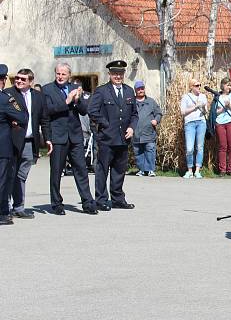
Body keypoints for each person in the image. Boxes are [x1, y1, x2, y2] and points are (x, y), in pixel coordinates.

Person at [42, 63, 97, 215]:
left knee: (81, 170)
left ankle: (87, 202)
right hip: (58, 136)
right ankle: (57, 204)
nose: (60, 77)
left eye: (63, 74)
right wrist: (66, 101)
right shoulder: (47, 90)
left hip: (75, 136)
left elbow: (84, 110)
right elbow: (47, 111)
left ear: (69, 76)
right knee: (57, 171)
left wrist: (77, 100)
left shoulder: (75, 88)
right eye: (58, 74)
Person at [88, 60, 138, 210]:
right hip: (107, 138)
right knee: (103, 169)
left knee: (119, 170)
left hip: (123, 138)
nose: (118, 76)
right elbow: (92, 111)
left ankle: (118, 199)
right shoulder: (101, 91)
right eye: (115, 73)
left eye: (120, 73)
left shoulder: (129, 91)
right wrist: (105, 124)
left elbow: (135, 114)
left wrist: (132, 127)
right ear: (109, 74)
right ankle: (101, 199)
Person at [5, 68, 51, 219]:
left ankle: (18, 207)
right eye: (17, 78)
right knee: (9, 175)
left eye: (23, 79)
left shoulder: (38, 96)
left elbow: (44, 119)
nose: (18, 81)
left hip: (30, 142)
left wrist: (48, 139)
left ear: (31, 82)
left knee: (21, 175)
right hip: (11, 141)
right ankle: (5, 208)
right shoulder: (8, 94)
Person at [1, 64, 29, 226]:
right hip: (3, 147)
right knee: (2, 180)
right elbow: (23, 117)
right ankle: (1, 213)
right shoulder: (5, 99)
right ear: (3, 80)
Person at [209, 77, 231, 176]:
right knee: (222, 146)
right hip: (220, 123)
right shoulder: (218, 97)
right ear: (222, 86)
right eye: (227, 84)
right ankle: (222, 170)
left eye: (230, 84)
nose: (229, 86)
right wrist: (223, 109)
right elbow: (214, 112)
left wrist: (229, 106)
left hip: (230, 122)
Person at [132, 80, 162, 177]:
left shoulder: (151, 102)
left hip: (149, 132)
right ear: (135, 90)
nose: (140, 90)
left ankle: (150, 170)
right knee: (138, 151)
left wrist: (156, 120)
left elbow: (159, 113)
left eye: (142, 88)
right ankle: (141, 169)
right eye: (138, 89)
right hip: (135, 133)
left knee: (150, 150)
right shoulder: (131, 102)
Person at [180, 79, 208, 178]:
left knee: (200, 147)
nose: (199, 87)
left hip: (201, 122)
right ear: (191, 87)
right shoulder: (186, 97)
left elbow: (205, 113)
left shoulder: (203, 97)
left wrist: (203, 107)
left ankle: (197, 170)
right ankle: (189, 170)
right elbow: (183, 112)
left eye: (199, 85)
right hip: (190, 123)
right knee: (189, 148)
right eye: (196, 85)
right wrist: (195, 107)